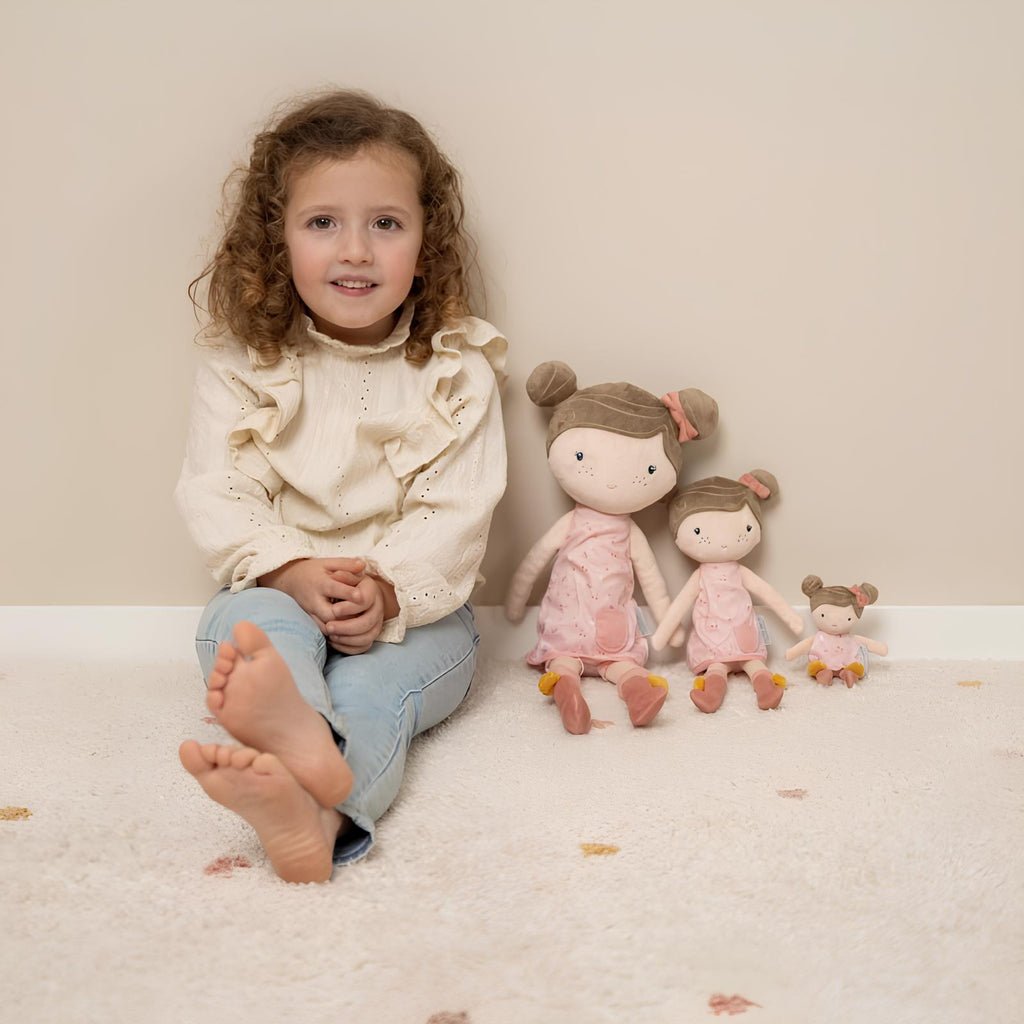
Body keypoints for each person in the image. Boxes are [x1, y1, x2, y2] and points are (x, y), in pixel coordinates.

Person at [174, 89, 507, 883]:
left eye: (385, 224)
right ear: (276, 240)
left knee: (377, 688)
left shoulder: (457, 370)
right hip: (278, 588)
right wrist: (291, 572)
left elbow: (457, 507)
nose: (355, 249)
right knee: (253, 630)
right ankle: (309, 771)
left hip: (419, 613)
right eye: (323, 222)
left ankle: (318, 788)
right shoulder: (242, 364)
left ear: (424, 246)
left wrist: (386, 592)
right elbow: (217, 488)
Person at [504, 360, 718, 734]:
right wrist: (670, 625)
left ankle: (582, 686)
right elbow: (652, 581)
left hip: (568, 625)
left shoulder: (593, 525)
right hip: (611, 628)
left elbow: (535, 561)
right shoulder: (617, 529)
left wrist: (517, 600)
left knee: (567, 661)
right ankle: (627, 687)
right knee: (620, 664)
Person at [650, 471, 803, 712]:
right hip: (714, 636)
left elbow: (767, 593)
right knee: (717, 667)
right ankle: (712, 693)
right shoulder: (702, 575)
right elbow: (680, 604)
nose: (721, 542)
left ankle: (766, 688)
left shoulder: (738, 571)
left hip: (742, 633)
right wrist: (663, 634)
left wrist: (791, 618)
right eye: (699, 532)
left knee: (753, 663)